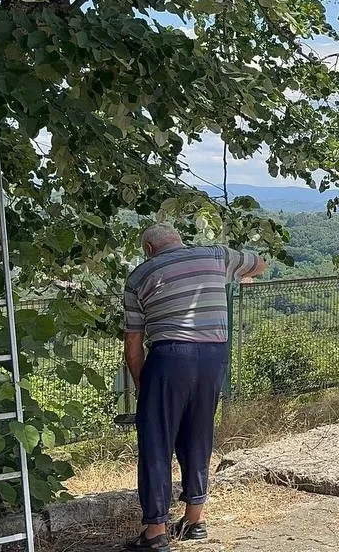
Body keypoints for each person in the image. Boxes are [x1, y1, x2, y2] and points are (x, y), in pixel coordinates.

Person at [122, 224, 266, 551]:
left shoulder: (139, 277)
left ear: (148, 249)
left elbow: (133, 343)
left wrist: (143, 385)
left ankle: (155, 531)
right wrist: (243, 274)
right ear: (179, 239)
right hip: (214, 357)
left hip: (169, 356)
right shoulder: (215, 256)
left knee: (156, 442)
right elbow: (258, 263)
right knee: (198, 435)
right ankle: (194, 520)